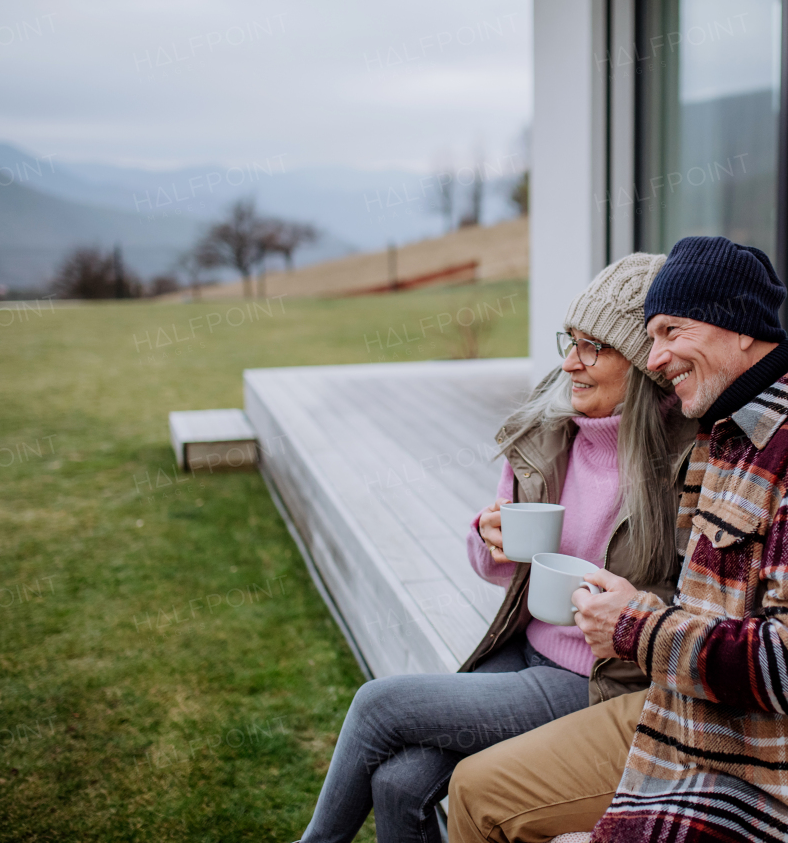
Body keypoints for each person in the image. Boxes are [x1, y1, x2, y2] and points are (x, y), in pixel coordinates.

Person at [448, 236, 788, 843]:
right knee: (472, 783)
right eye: (651, 337)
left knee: (482, 795)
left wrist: (637, 628)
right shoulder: (735, 429)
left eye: (672, 332)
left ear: (741, 328)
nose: (654, 359)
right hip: (702, 709)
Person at [294, 252, 697, 843]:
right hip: (525, 648)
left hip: (597, 680)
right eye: (571, 341)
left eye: (594, 348)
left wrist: (633, 607)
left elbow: (697, 597)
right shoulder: (550, 434)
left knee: (378, 705)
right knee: (399, 784)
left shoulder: (685, 463)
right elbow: (493, 561)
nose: (570, 362)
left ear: (641, 364)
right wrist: (490, 543)